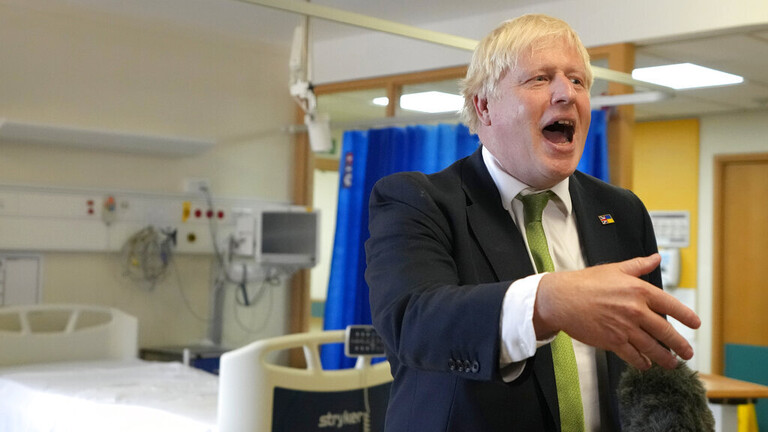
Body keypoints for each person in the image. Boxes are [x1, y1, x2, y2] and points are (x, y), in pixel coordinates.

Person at [364, 14, 701, 432]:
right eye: (540, 79)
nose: (567, 93)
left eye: (577, 81)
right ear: (484, 107)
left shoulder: (622, 211)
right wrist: (548, 301)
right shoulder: (417, 201)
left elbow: (647, 361)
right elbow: (413, 324)